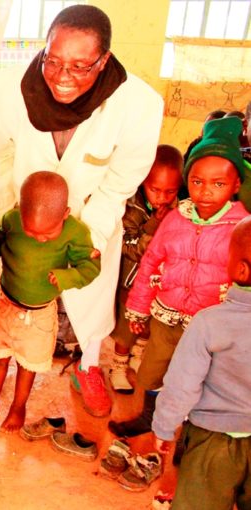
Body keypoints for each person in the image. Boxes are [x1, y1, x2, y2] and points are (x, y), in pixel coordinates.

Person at [0, 4, 164, 417]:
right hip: (25, 216)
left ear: (104, 60)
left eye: (80, 66)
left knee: (90, 299)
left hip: (91, 216)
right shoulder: (2, 91)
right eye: (53, 61)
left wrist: (86, 239)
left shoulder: (139, 105)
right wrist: (5, 223)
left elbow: (119, 183)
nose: (63, 77)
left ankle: (88, 366)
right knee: (12, 296)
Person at [109, 116, 249, 438]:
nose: (206, 192)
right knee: (154, 369)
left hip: (208, 326)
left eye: (218, 184)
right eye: (197, 181)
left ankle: (188, 432)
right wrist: (138, 309)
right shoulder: (175, 219)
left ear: (235, 185)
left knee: (199, 377)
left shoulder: (241, 227)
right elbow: (150, 262)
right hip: (166, 319)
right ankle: (149, 418)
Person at [0, 171, 100, 431]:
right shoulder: (12, 220)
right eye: (31, 231)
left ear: (65, 213)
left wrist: (66, 276)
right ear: (20, 210)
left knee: (27, 365)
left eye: (47, 234)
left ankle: (18, 407)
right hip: (5, 305)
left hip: (39, 315)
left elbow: (90, 267)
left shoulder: (76, 232)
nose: (39, 238)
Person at [152, 216, 251, 510]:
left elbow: (181, 386)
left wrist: (165, 428)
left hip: (212, 442)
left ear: (241, 269)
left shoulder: (209, 323)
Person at [109, 145, 184, 394]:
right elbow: (125, 245)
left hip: (161, 284)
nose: (161, 197)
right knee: (126, 328)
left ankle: (138, 355)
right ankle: (118, 366)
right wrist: (153, 225)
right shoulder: (132, 208)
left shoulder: (181, 209)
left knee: (149, 325)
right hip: (131, 283)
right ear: (143, 181)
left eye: (170, 191)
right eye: (155, 190)